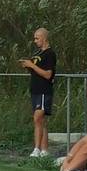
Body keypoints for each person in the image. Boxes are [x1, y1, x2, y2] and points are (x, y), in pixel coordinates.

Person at [19, 28, 56, 157]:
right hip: (34, 89)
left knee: (37, 117)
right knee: (41, 121)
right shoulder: (37, 53)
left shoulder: (50, 54)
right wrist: (27, 65)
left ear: (44, 38)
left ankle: (36, 148)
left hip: (43, 90)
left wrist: (32, 65)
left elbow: (48, 74)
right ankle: (45, 150)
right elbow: (36, 70)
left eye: (37, 38)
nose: (35, 41)